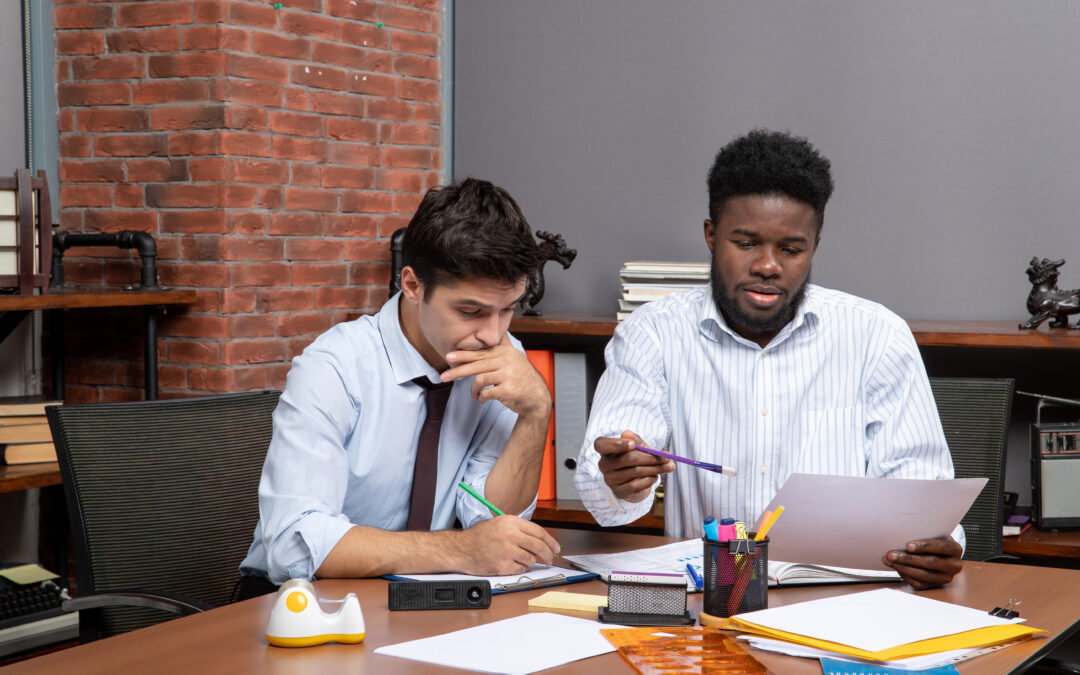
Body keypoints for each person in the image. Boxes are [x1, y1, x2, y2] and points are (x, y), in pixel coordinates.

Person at [574, 129, 963, 590]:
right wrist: (622, 482)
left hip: (846, 602)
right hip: (713, 603)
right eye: (746, 243)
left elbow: (920, 497)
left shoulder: (877, 335)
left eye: (791, 249)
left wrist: (933, 546)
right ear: (711, 236)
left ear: (814, 246)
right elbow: (610, 502)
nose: (768, 265)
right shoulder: (652, 334)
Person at [239, 178, 560, 594]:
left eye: (507, 310)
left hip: (420, 596)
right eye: (470, 311)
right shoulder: (335, 369)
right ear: (412, 285)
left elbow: (490, 517)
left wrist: (537, 412)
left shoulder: (503, 357)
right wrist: (460, 550)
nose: (492, 334)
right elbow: (293, 545)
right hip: (301, 602)